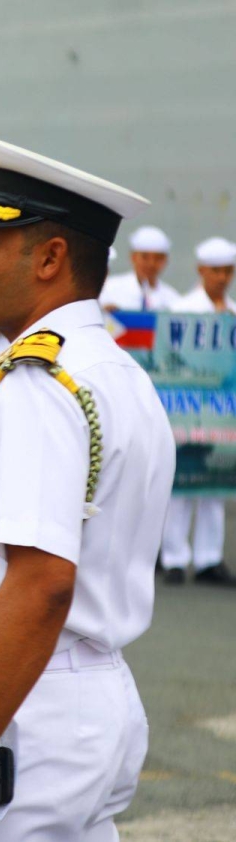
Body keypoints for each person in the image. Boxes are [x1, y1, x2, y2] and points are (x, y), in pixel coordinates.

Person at [0, 135, 174, 838]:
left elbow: (43, 579)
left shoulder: (40, 384)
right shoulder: (111, 370)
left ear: (51, 258)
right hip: (83, 693)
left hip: (32, 708)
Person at [161, 236, 236, 587]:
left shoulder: (233, 314)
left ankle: (209, 558)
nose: (222, 278)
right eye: (216, 271)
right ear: (201, 271)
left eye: (227, 271)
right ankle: (174, 557)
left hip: (221, 412)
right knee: (181, 482)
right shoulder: (181, 310)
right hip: (186, 408)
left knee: (215, 483)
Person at [99, 224, 180, 311]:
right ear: (133, 257)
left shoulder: (172, 298)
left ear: (166, 260)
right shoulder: (108, 289)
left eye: (158, 258)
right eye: (145, 257)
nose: (151, 264)